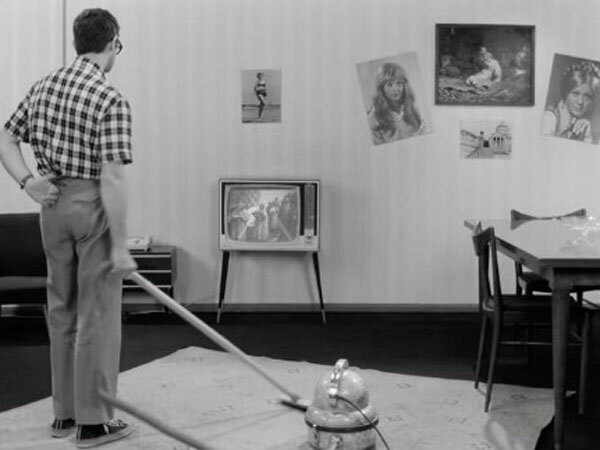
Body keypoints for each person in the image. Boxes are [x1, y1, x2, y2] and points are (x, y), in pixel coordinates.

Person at [0, 9, 137, 448]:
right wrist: (121, 246)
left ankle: (64, 414)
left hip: (52, 205)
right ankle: (94, 424)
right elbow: (113, 177)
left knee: (61, 309)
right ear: (112, 42)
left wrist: (28, 182)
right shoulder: (109, 98)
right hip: (91, 206)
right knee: (97, 315)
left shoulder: (43, 86)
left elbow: (5, 138)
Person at [367, 62, 428, 145]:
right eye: (389, 85)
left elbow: (423, 133)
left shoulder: (412, 107)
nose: (395, 89)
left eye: (399, 83)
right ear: (382, 89)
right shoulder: (374, 116)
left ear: (404, 85)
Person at [541, 60, 600, 143]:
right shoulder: (549, 118)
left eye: (587, 96)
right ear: (566, 93)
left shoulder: (583, 123)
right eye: (575, 94)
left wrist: (587, 136)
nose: (580, 102)